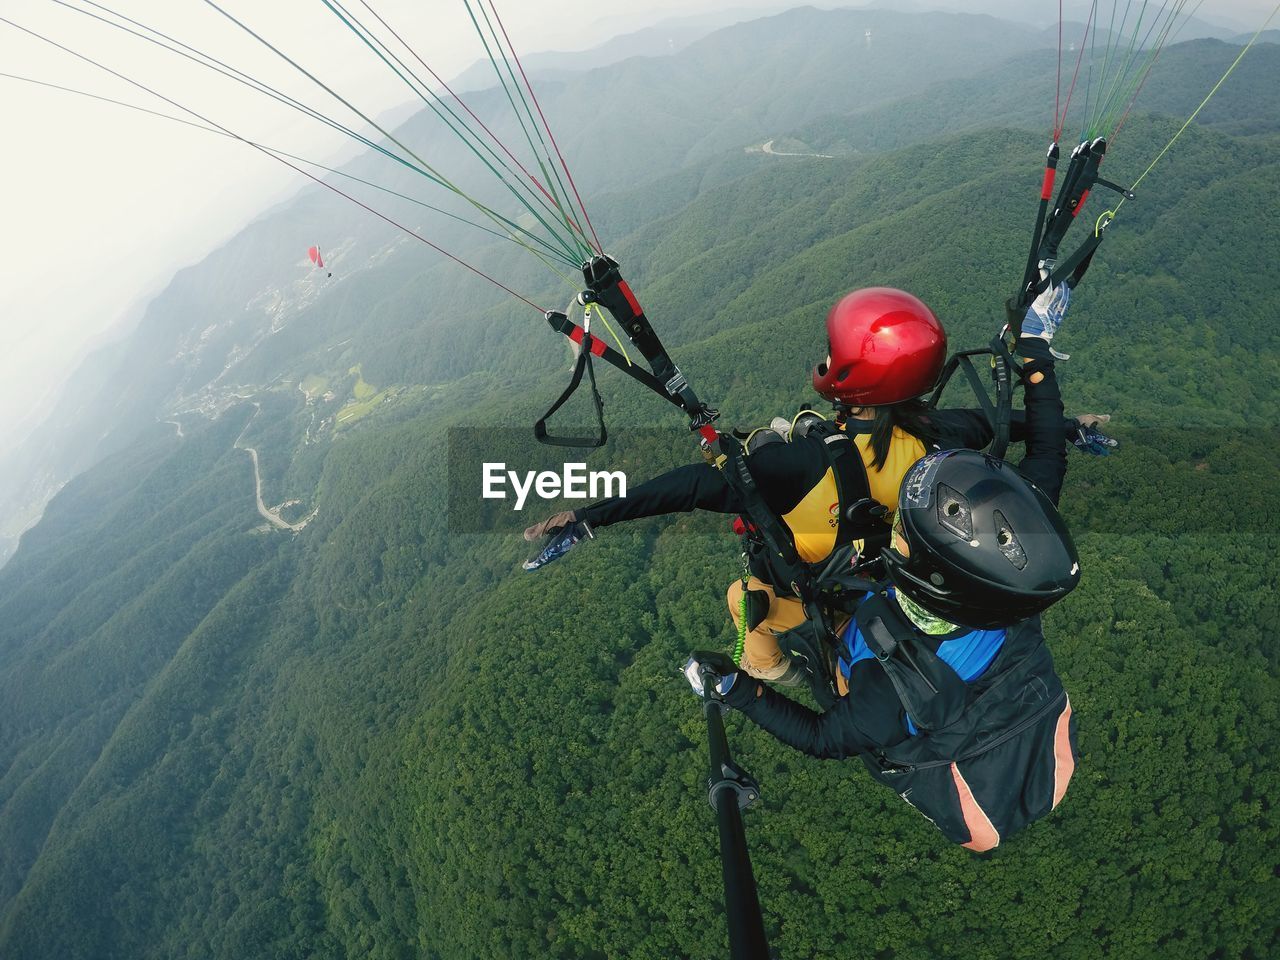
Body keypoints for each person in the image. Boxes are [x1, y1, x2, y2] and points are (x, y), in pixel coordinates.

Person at [524, 287, 1112, 688]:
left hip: (823, 596)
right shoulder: (941, 433)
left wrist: (590, 517)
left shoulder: (800, 464)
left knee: (745, 604)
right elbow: (1007, 425)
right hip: (906, 589)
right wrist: (1069, 428)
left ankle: (779, 673)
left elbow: (688, 487)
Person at [683, 272, 1081, 850]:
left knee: (745, 604)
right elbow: (1047, 454)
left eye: (905, 538)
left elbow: (823, 737)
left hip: (916, 708)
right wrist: (1035, 351)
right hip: (968, 678)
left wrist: (739, 690)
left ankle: (794, 670)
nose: (896, 531)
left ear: (927, 579)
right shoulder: (1004, 582)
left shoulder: (881, 697)